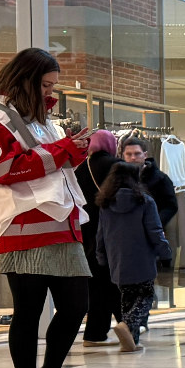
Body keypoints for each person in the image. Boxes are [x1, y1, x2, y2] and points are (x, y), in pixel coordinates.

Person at [0, 47, 93, 368]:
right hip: (21, 223)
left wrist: (73, 151)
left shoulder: (39, 117)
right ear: (26, 79)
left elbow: (49, 164)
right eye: (45, 85)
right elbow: (4, 168)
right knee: (29, 309)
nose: (50, 93)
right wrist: (65, 149)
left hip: (60, 221)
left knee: (75, 304)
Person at [94, 161, 171, 351]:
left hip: (117, 260)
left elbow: (100, 235)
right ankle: (127, 325)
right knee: (145, 296)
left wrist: (102, 257)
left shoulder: (105, 203)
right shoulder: (144, 201)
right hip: (142, 258)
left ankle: (132, 341)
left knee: (127, 298)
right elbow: (155, 230)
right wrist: (165, 252)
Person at [77, 130, 122, 346]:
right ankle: (127, 325)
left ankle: (95, 331)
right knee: (115, 281)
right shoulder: (115, 167)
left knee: (96, 282)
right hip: (111, 231)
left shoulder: (80, 167)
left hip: (86, 230)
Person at [119, 136, 179, 240]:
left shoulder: (160, 178)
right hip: (125, 234)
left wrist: (154, 223)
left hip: (151, 234)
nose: (133, 158)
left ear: (145, 155)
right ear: (123, 156)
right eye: (129, 154)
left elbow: (171, 206)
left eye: (137, 154)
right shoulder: (118, 178)